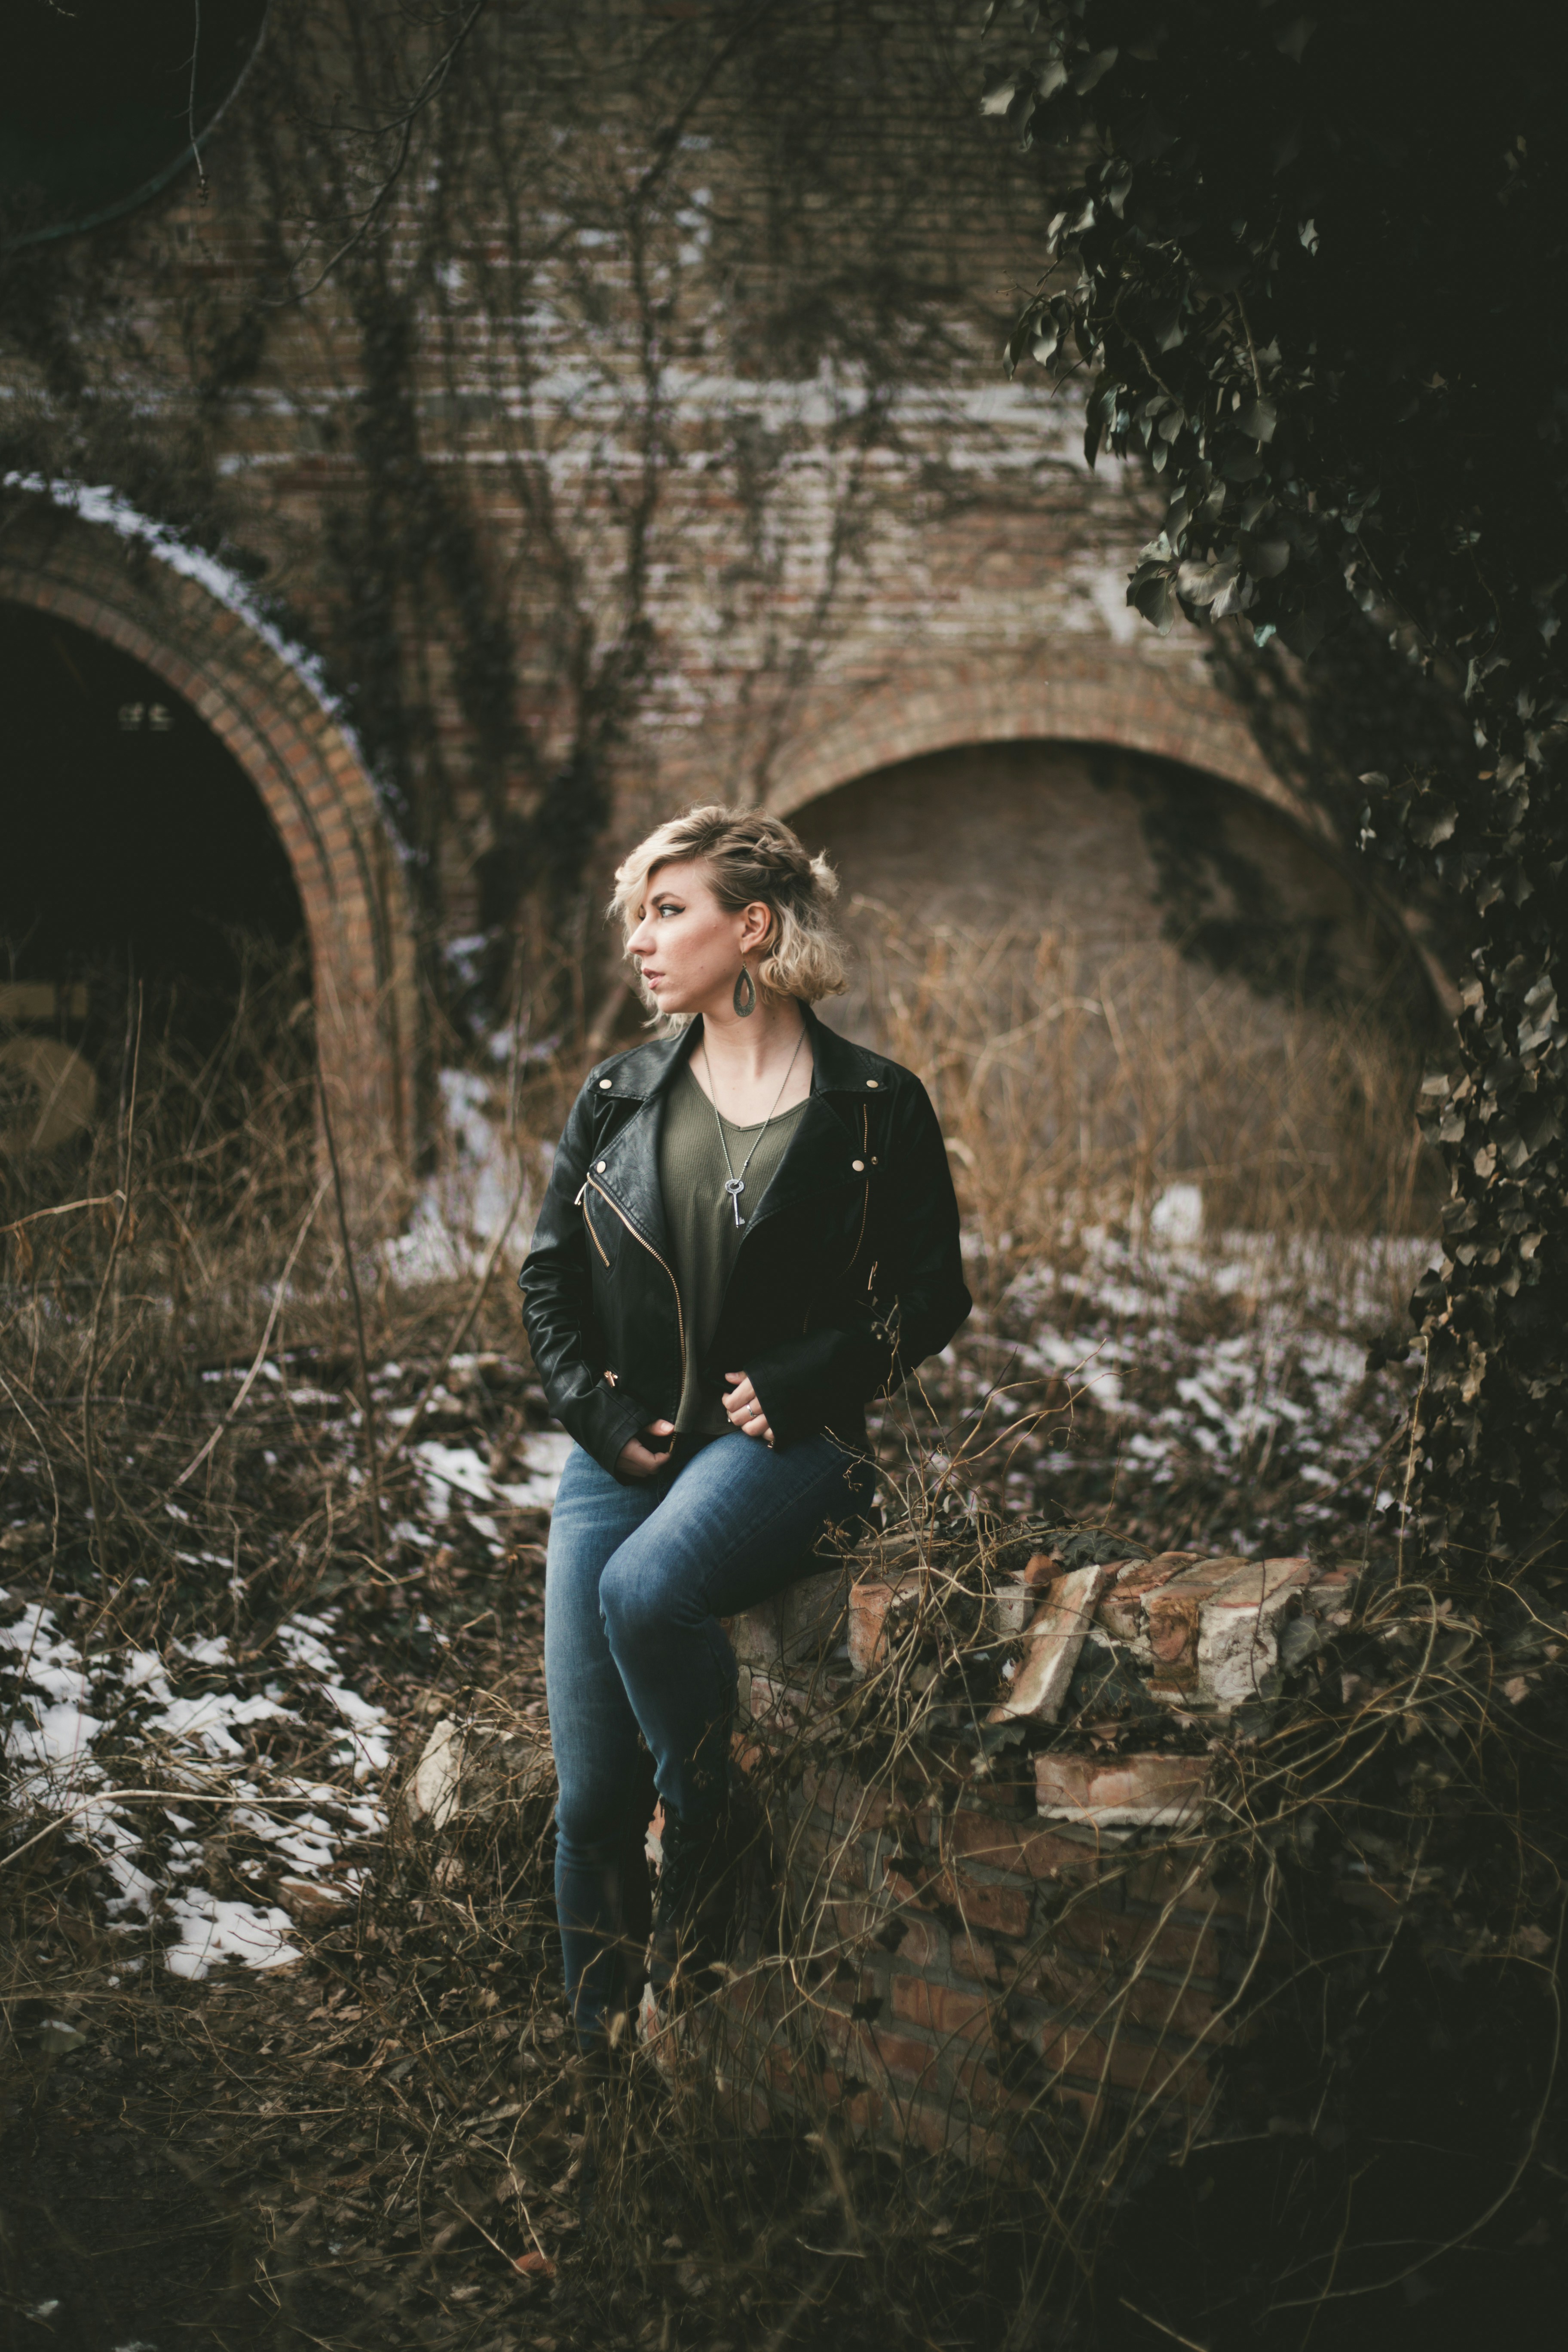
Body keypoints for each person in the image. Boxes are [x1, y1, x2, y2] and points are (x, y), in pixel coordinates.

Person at [519, 805, 971, 2049]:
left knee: (648, 1590)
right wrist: (600, 1418)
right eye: (638, 917)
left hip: (786, 1453)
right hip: (628, 1449)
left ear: (753, 927)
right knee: (592, 1796)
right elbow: (548, 1282)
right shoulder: (619, 1094)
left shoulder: (877, 1106)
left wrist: (818, 1375)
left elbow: (934, 1296)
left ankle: (707, 1841)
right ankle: (606, 2052)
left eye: (670, 912)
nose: (642, 944)